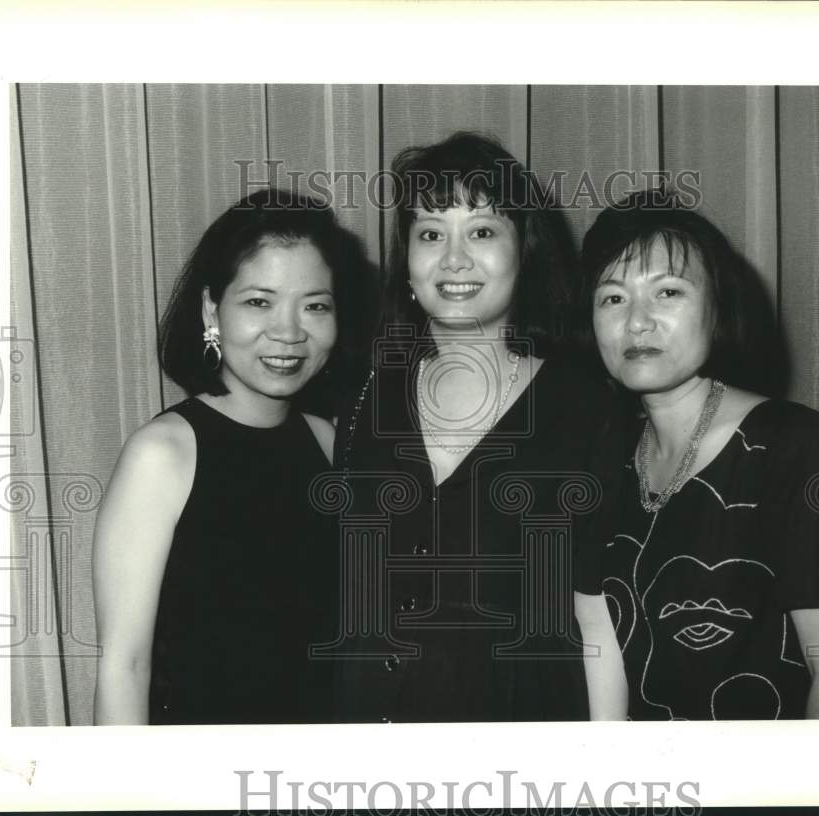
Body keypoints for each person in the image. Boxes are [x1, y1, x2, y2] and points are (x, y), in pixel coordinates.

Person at [330, 132, 616, 723]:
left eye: (482, 232)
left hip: (523, 750)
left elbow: (599, 619)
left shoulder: (587, 407)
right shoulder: (363, 395)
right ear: (407, 261)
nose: (453, 259)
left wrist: (606, 765)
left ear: (525, 252)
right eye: (431, 234)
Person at [574, 189, 819, 720]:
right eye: (613, 298)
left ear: (718, 310)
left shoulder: (794, 446)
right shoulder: (601, 457)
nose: (637, 322)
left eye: (668, 292)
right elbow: (603, 652)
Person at [93, 188, 369, 724]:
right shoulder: (163, 454)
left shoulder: (332, 443)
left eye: (315, 305)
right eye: (258, 302)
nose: (289, 333)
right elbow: (123, 668)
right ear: (210, 309)